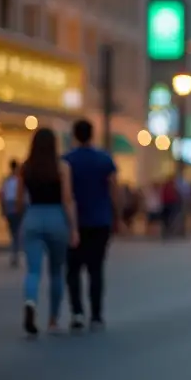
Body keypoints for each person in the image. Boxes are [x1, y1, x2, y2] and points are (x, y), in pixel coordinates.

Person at [17, 128, 79, 336]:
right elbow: (67, 199)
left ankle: (30, 302)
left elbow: (18, 202)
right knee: (56, 271)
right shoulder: (62, 167)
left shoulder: (26, 168)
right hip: (56, 218)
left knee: (33, 270)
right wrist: (73, 228)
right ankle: (53, 319)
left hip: (33, 216)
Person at [63, 119, 120, 331]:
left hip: (75, 222)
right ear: (92, 135)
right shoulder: (105, 160)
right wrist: (117, 216)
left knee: (73, 270)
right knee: (96, 270)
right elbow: (114, 190)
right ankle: (96, 315)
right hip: (100, 221)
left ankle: (77, 312)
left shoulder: (67, 161)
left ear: (75, 136)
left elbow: (65, 195)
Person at [1, 161, 23, 267]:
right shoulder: (12, 180)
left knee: (15, 231)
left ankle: (15, 253)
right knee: (15, 231)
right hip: (13, 204)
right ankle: (15, 253)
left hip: (12, 204)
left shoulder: (9, 180)